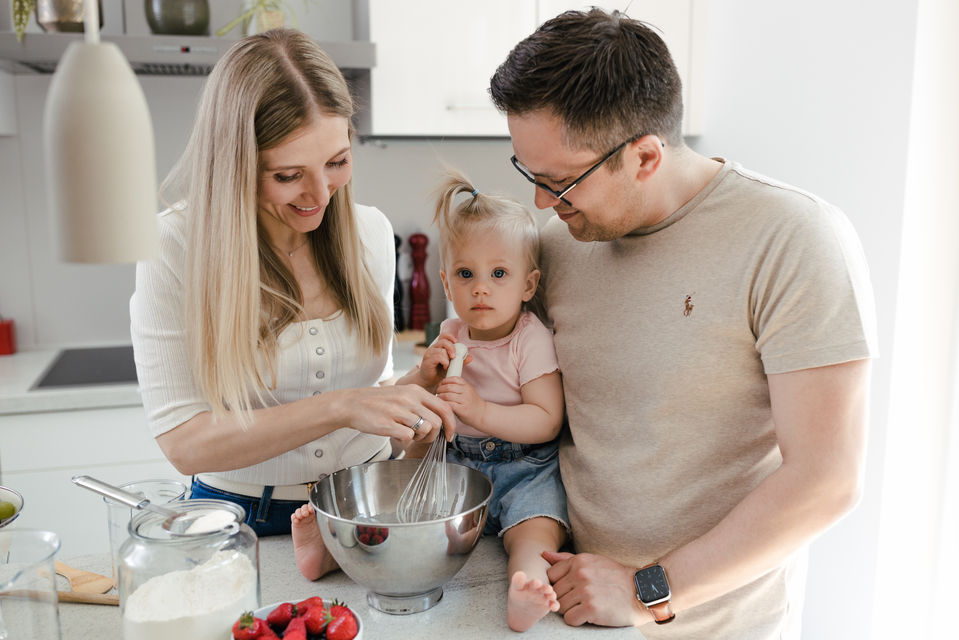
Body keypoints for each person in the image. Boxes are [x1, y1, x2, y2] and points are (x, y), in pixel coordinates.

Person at [489, 8, 877, 639]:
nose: (541, 203)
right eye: (529, 175)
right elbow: (518, 400)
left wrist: (647, 591)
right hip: (571, 617)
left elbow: (827, 479)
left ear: (644, 156)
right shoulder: (559, 245)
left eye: (558, 181)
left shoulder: (794, 239)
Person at [129, 29, 455, 566]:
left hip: (369, 508)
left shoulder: (370, 233)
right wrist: (342, 406)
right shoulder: (175, 247)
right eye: (288, 175)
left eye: (338, 162)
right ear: (234, 165)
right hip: (239, 521)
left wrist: (407, 393)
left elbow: (369, 391)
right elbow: (184, 444)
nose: (321, 195)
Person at [401, 169, 568, 631]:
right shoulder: (450, 332)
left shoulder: (530, 339)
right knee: (413, 521)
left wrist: (480, 411)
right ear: (446, 283)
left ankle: (526, 587)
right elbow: (401, 399)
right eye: (465, 274)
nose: (480, 287)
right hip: (460, 465)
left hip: (525, 468)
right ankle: (338, 551)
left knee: (534, 534)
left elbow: (547, 420)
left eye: (498, 274)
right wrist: (424, 376)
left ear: (528, 285)